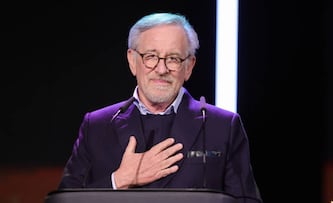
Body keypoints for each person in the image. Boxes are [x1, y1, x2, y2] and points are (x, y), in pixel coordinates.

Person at [58, 12, 262, 202]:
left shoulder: (223, 127)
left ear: (189, 66)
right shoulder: (96, 126)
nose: (162, 69)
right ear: (132, 61)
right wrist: (118, 181)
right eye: (151, 57)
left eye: (173, 58)